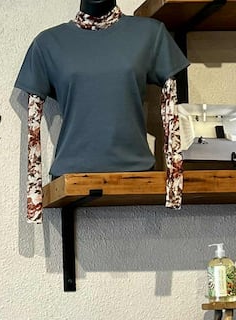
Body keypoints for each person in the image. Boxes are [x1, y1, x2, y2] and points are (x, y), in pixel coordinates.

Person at [14, 2, 189, 223]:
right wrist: (34, 199)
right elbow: (33, 123)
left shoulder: (150, 34)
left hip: (136, 165)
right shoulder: (48, 43)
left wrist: (174, 182)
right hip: (73, 168)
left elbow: (171, 105)